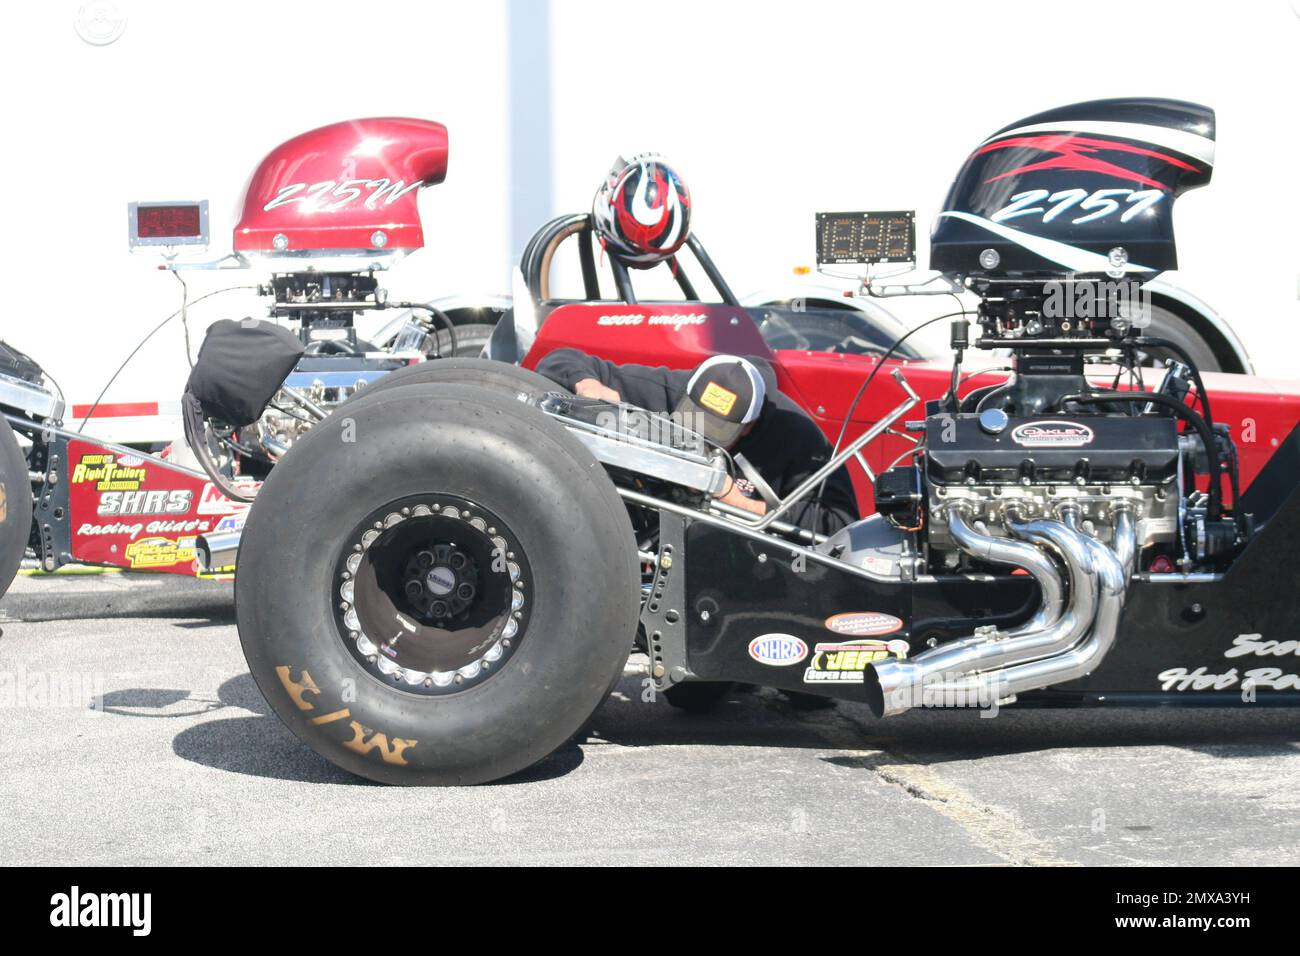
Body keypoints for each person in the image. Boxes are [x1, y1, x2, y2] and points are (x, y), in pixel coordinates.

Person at [536, 348, 859, 535]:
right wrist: (588, 384)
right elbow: (558, 359)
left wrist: (737, 501)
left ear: (749, 426)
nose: (701, 437)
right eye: (695, 418)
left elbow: (841, 523)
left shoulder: (799, 438)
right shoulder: (666, 388)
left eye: (718, 432)